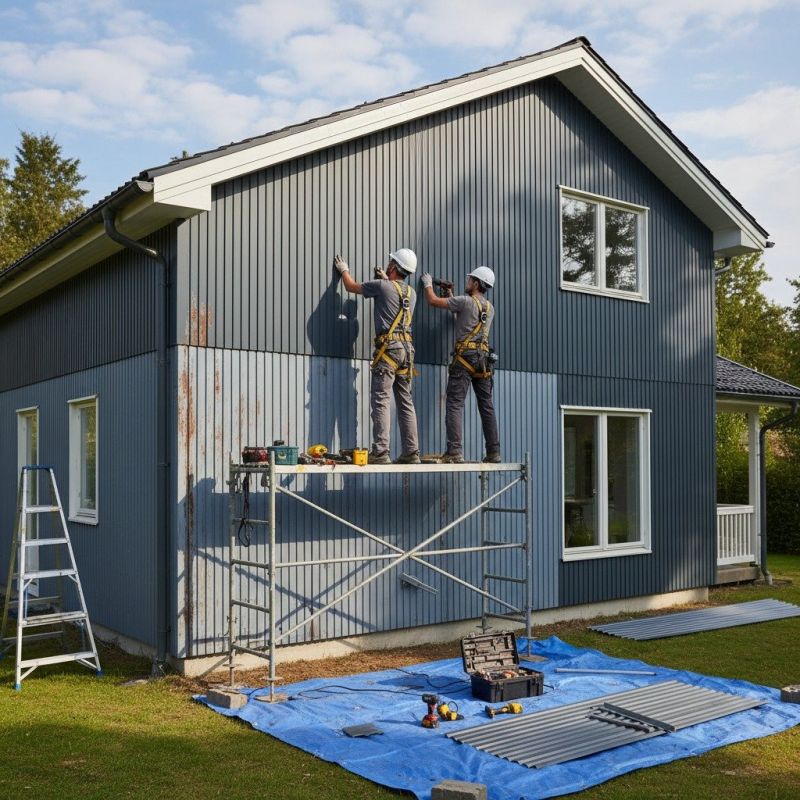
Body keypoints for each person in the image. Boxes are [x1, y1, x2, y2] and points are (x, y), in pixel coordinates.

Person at [334, 249, 421, 464]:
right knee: (405, 402)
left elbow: (351, 286)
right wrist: (385, 279)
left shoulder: (382, 287)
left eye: (390, 262)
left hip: (388, 350)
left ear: (393, 267)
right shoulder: (411, 293)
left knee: (381, 400)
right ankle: (411, 451)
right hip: (407, 351)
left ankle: (381, 451)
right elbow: (396, 297)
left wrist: (344, 271)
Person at [420, 266, 500, 463]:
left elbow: (432, 300)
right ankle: (494, 452)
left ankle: (455, 452)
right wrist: (450, 295)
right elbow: (464, 318)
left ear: (476, 283)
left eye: (470, 279)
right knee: (486, 406)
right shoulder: (490, 309)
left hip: (464, 358)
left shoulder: (464, 301)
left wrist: (428, 283)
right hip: (483, 360)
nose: (468, 282)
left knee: (455, 404)